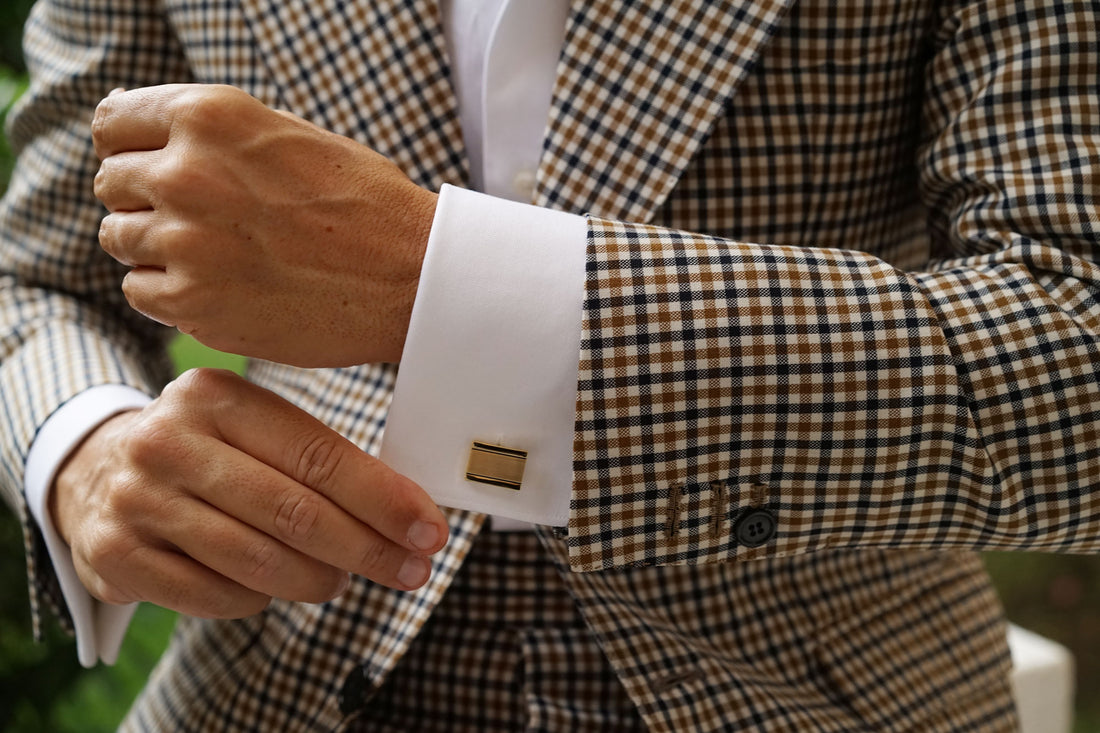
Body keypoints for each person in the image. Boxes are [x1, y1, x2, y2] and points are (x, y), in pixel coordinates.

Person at [1, 0, 1097, 729]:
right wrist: (86, 448)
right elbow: (37, 278)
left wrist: (437, 280)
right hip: (277, 672)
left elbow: (1075, 342)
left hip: (806, 680)